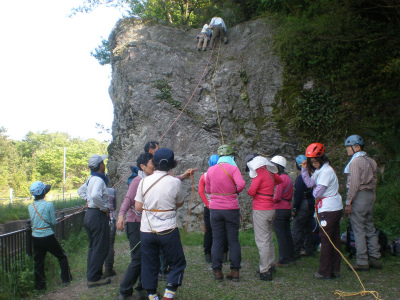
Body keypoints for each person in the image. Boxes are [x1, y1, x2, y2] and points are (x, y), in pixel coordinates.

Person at [135, 148, 190, 300]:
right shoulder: (175, 182)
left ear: (154, 162)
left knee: (149, 263)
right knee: (177, 262)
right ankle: (169, 293)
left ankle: (152, 296)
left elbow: (138, 207)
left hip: (147, 229)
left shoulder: (144, 181)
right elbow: (179, 203)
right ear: (172, 164)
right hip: (168, 229)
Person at [301, 143, 343, 280]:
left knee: (326, 239)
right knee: (334, 239)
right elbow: (309, 184)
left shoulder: (326, 171)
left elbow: (317, 192)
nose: (314, 164)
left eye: (315, 161)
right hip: (332, 206)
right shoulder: (321, 170)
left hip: (328, 208)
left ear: (321, 158)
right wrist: (304, 171)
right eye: (311, 162)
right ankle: (334, 269)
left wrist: (314, 191)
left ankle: (325, 271)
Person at [116, 153, 154, 300]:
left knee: (147, 257)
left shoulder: (149, 180)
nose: (154, 165)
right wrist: (121, 216)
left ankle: (142, 287)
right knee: (138, 259)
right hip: (135, 224)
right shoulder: (138, 180)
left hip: (144, 224)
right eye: (152, 162)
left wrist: (181, 176)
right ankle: (124, 292)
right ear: (142, 166)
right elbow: (128, 199)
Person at [205, 145, 245, 281]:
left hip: (215, 208)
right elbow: (241, 185)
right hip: (231, 208)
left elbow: (208, 190)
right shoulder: (233, 168)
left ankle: (217, 271)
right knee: (233, 240)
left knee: (217, 240)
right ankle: (235, 271)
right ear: (231, 156)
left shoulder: (210, 170)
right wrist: (233, 191)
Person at [344, 135, 381, 271]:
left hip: (359, 196)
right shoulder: (371, 161)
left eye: (349, 147)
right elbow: (375, 180)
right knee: (370, 227)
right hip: (370, 195)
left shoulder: (355, 162)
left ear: (357, 147)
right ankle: (375, 257)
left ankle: (362, 260)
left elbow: (354, 184)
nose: (347, 149)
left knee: (358, 228)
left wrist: (349, 202)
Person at [28, 181, 72, 290]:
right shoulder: (49, 205)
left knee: (38, 262)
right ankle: (66, 279)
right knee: (62, 256)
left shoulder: (30, 206)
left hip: (35, 237)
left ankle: (40, 286)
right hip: (47, 236)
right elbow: (53, 222)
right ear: (43, 192)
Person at [246, 153, 281, 281]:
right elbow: (279, 180)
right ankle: (271, 265)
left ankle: (264, 270)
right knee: (269, 238)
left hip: (261, 209)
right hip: (271, 208)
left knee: (262, 240)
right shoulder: (269, 171)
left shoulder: (259, 173)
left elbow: (251, 192)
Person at [81, 154, 111, 288]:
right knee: (101, 247)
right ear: (100, 166)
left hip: (89, 215)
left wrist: (88, 201)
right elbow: (94, 195)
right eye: (103, 163)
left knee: (93, 246)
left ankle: (93, 274)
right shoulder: (99, 180)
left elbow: (81, 191)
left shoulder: (90, 179)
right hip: (98, 215)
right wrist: (104, 207)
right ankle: (94, 278)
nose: (104, 165)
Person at [198, 154, 228, 263]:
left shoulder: (204, 176)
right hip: (223, 205)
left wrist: (207, 204)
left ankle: (208, 253)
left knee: (209, 230)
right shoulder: (225, 173)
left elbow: (201, 191)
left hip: (210, 205)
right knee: (223, 229)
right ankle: (224, 253)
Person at [270, 155, 295, 267]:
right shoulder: (288, 177)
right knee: (287, 233)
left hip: (279, 208)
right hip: (287, 208)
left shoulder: (280, 179)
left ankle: (283, 259)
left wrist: (268, 199)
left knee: (281, 235)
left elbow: (277, 197)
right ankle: (290, 256)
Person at [292, 155, 316, 259]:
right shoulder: (313, 174)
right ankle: (308, 249)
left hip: (304, 203)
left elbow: (298, 195)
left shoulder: (301, 178)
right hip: (312, 203)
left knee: (296, 228)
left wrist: (295, 208)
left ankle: (295, 252)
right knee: (307, 228)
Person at [104, 187, 117, 278]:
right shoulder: (112, 191)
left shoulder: (92, 189)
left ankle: (96, 268)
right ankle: (108, 268)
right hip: (111, 218)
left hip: (99, 218)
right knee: (110, 244)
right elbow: (115, 206)